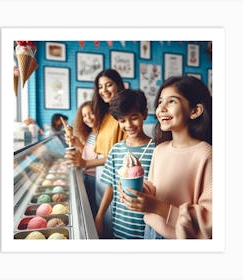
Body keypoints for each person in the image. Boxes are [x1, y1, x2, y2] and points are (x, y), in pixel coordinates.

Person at [120, 76, 212, 239]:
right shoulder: (160, 149)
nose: (161, 108)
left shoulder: (206, 155)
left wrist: (159, 208)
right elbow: (155, 187)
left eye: (172, 102)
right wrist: (140, 191)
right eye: (160, 102)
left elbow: (211, 219)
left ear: (195, 110)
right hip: (149, 231)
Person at [65, 69, 126, 238]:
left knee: (111, 232)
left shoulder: (122, 117)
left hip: (113, 184)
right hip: (101, 179)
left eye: (109, 85)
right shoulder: (105, 116)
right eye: (100, 86)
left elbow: (118, 160)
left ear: (118, 85)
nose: (104, 90)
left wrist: (85, 164)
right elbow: (99, 151)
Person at [95, 89, 155, 239]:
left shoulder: (157, 149)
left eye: (134, 117)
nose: (128, 125)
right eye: (122, 120)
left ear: (145, 114)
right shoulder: (116, 149)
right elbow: (110, 186)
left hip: (148, 228)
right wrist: (99, 216)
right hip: (120, 225)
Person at [67, 101, 99, 217]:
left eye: (91, 113)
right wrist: (77, 144)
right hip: (86, 174)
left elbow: (99, 159)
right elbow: (87, 153)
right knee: (89, 207)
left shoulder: (101, 134)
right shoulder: (91, 134)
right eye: (84, 115)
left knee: (94, 209)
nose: (88, 118)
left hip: (95, 178)